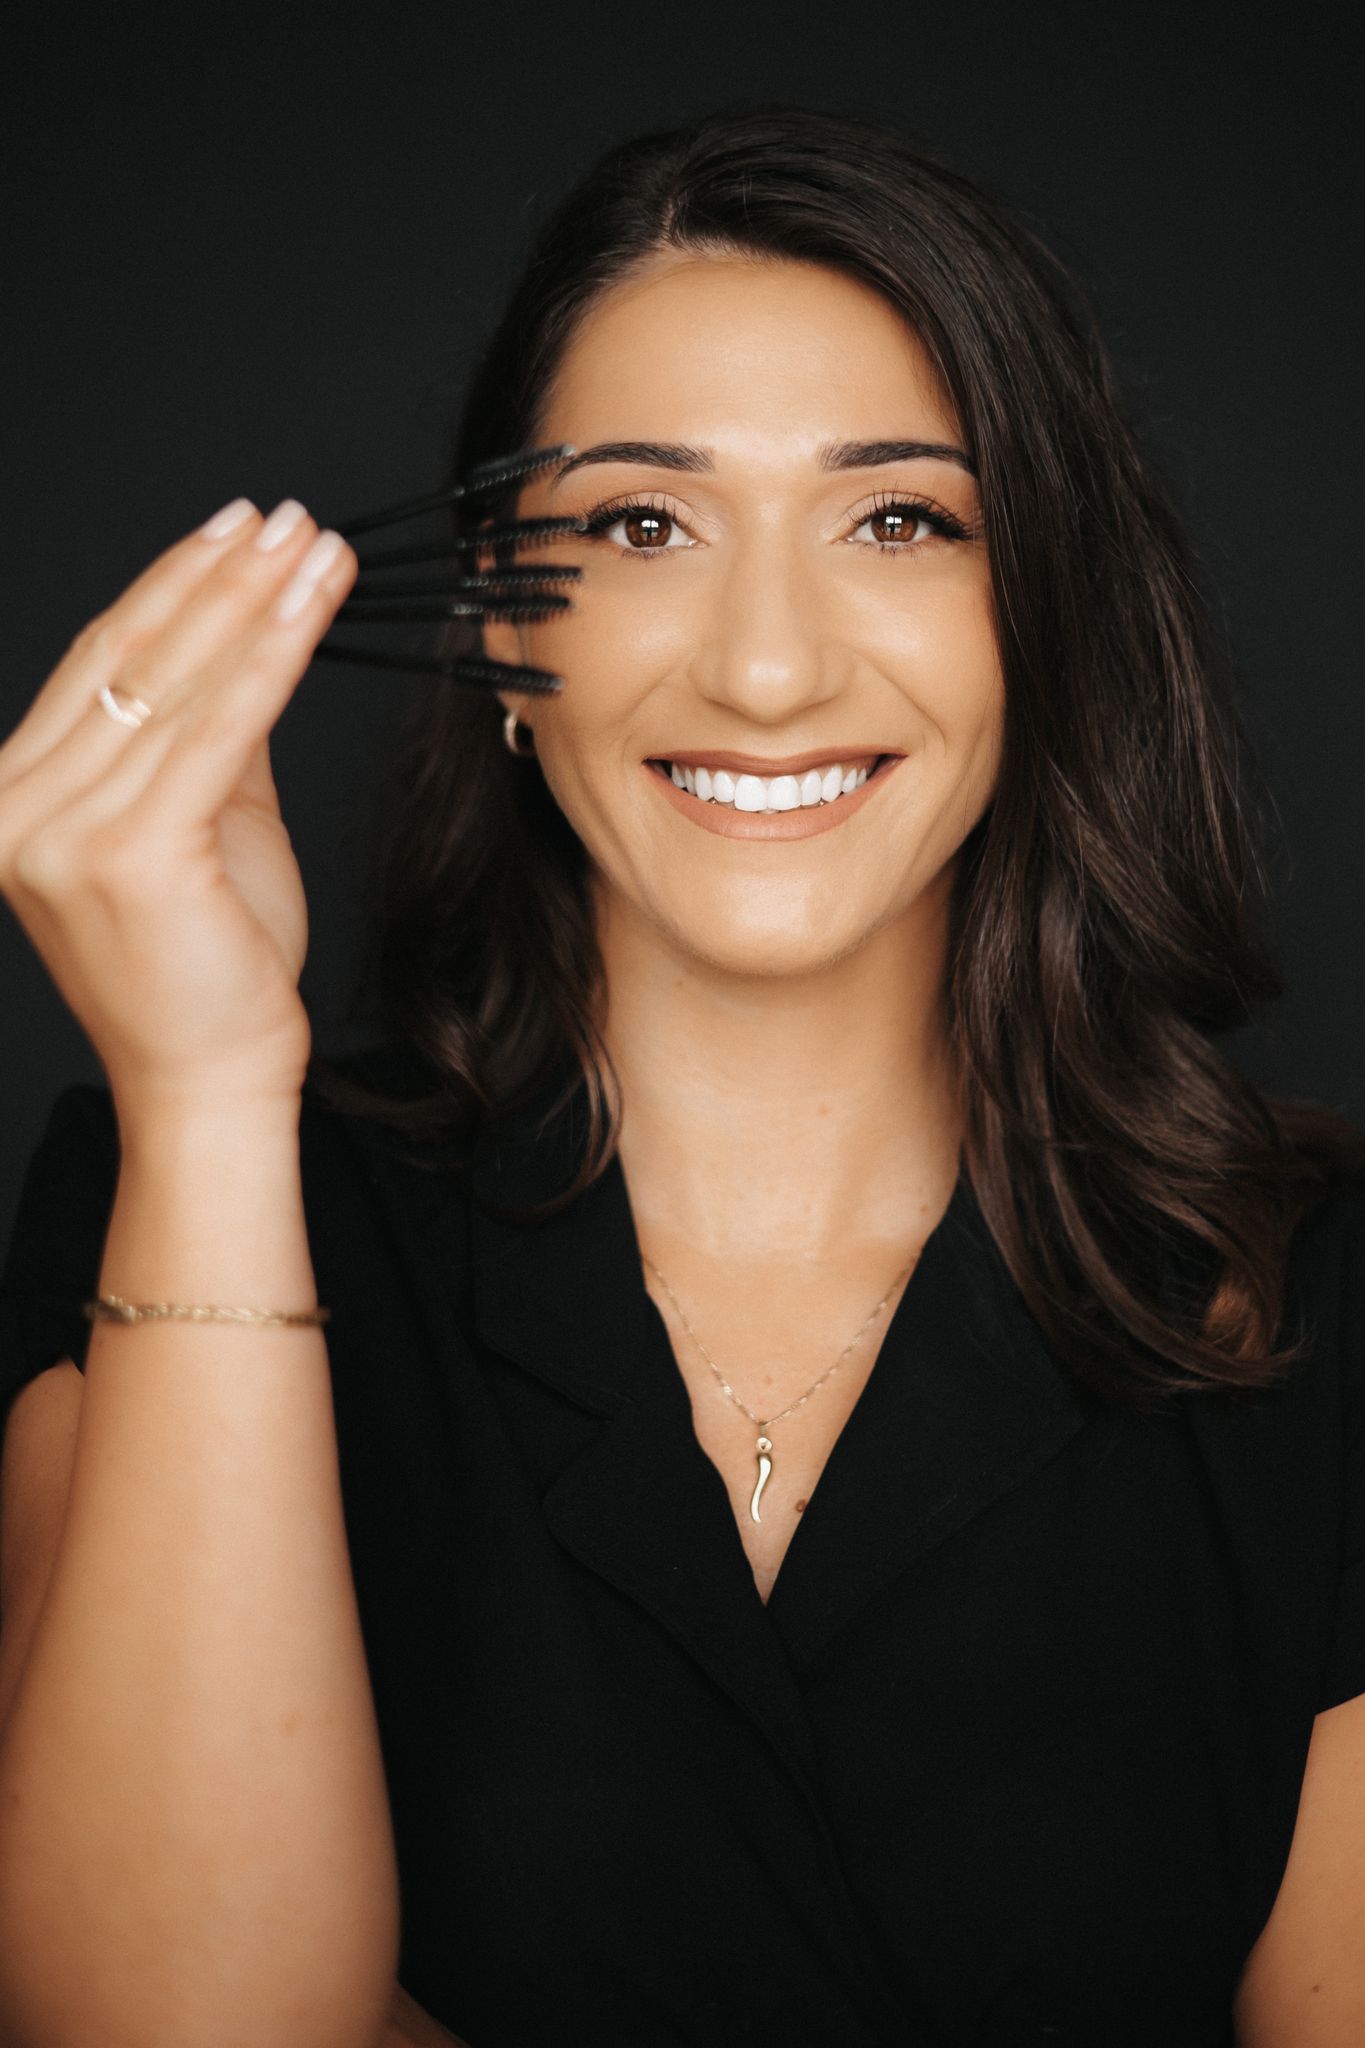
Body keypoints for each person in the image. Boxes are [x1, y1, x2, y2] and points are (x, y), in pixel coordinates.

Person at [0, 101, 1362, 2048]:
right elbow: (172, 2025)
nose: (765, 671)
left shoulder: (1319, 1300)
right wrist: (207, 1089)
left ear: (1042, 608)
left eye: (898, 520)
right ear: (496, 615)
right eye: (641, 525)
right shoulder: (183, 1194)